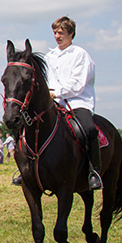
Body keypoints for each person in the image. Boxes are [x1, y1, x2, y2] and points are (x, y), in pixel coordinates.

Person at [45, 16, 102, 190]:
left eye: (61, 32)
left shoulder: (80, 54)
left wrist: (56, 93)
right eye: (55, 32)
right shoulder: (49, 56)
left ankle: (94, 171)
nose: (57, 36)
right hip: (53, 102)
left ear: (71, 33)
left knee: (89, 129)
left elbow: (77, 84)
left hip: (77, 101)